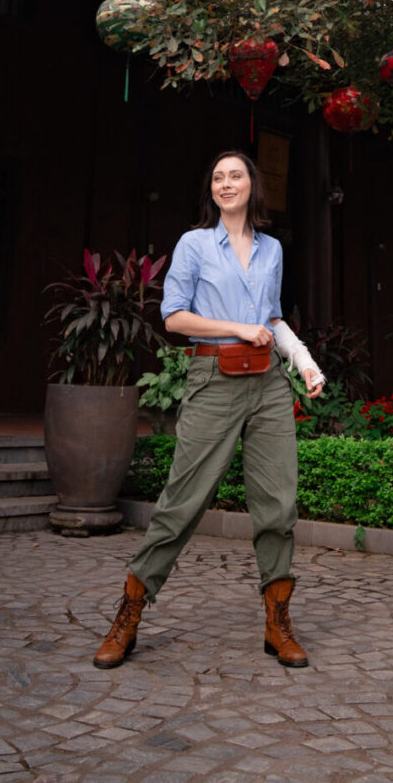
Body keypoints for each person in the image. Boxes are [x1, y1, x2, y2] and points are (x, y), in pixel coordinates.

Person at [93, 149, 325, 671]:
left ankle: (277, 623)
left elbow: (273, 318)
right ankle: (128, 614)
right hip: (213, 378)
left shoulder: (272, 250)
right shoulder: (195, 244)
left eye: (235, 175)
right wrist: (238, 329)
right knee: (182, 503)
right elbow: (174, 317)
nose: (226, 183)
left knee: (278, 505)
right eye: (218, 177)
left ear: (251, 186)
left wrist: (305, 364)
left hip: (267, 382)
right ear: (212, 190)